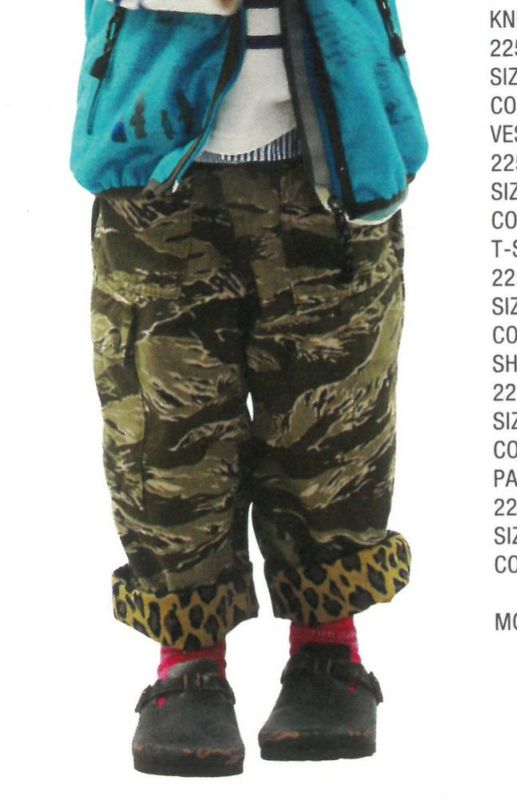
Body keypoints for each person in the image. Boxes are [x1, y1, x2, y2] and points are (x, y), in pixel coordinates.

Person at [70, 0, 427, 776]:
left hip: (334, 159)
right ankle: (188, 658)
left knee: (335, 420)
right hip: (156, 167)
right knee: (164, 427)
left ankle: (328, 648)